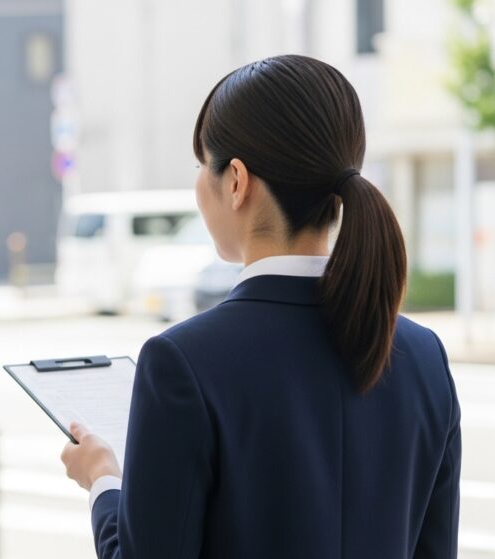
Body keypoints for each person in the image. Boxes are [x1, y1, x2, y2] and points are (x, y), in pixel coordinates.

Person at [60, 54, 461, 558]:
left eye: (202, 165)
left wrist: (104, 480)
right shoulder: (423, 356)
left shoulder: (182, 363)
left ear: (236, 181)